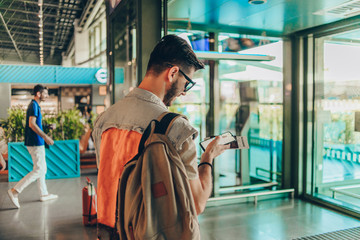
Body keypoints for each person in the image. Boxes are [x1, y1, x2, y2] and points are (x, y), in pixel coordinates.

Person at [92, 35, 230, 239]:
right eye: (187, 83)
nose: (184, 92)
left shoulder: (104, 119)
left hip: (109, 231)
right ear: (173, 72)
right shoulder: (176, 128)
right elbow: (197, 202)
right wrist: (208, 157)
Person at [7, 84, 58, 209]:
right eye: (45, 93)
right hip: (35, 142)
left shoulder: (35, 106)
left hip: (37, 141)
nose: (46, 95)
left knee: (42, 169)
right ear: (38, 94)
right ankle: (15, 191)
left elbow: (37, 124)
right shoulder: (33, 105)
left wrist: (46, 126)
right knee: (39, 169)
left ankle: (44, 194)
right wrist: (46, 136)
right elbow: (32, 124)